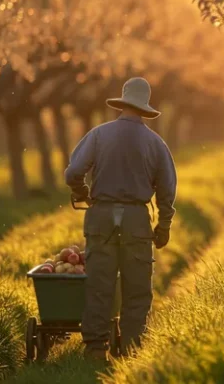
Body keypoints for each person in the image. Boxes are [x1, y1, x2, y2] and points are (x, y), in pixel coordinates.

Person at [64, 77, 177, 362]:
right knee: (137, 289)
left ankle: (95, 349)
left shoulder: (98, 135)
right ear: (144, 107)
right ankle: (131, 351)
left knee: (99, 285)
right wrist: (164, 224)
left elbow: (73, 172)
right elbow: (167, 189)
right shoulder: (156, 143)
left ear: (123, 102)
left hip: (100, 218)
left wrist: (81, 191)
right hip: (136, 221)